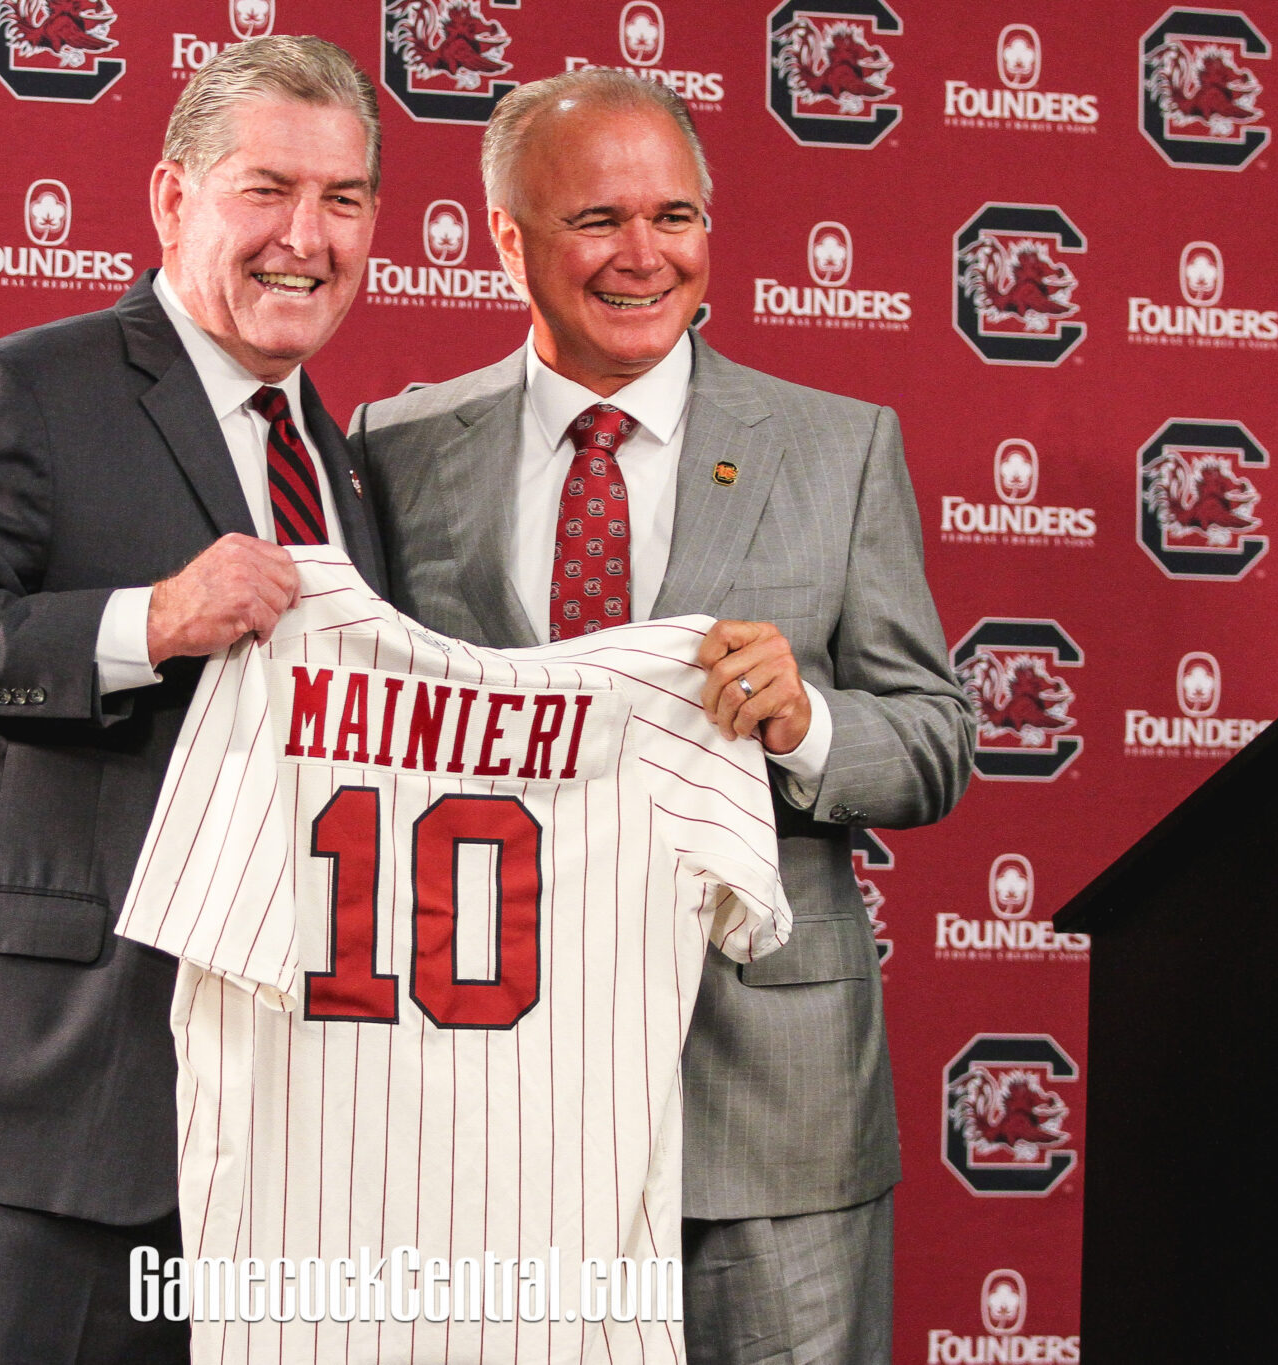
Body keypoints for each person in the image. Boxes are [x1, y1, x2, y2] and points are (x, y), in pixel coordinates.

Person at [350, 69, 974, 1364]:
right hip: (484, 1106)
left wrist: (805, 724)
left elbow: (932, 735)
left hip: (766, 1115)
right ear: (508, 237)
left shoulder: (838, 445)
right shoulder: (393, 451)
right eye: (598, 220)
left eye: (676, 216)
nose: (645, 256)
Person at [0, 36, 389, 1363]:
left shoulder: (332, 460)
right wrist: (151, 620)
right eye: (268, 190)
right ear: (175, 198)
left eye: (345, 200)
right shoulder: (27, 390)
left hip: (254, 1111)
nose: (309, 234)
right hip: (46, 1083)